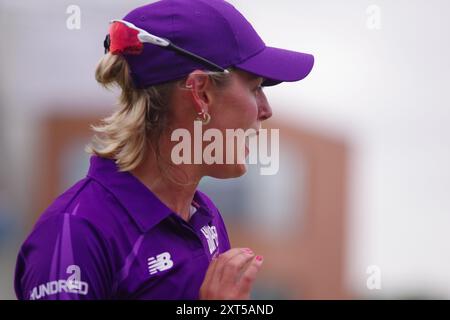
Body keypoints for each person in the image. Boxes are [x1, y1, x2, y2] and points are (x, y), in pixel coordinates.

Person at [14, 0, 314, 300]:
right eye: (255, 87)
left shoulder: (204, 215)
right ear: (201, 93)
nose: (266, 109)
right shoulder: (74, 232)